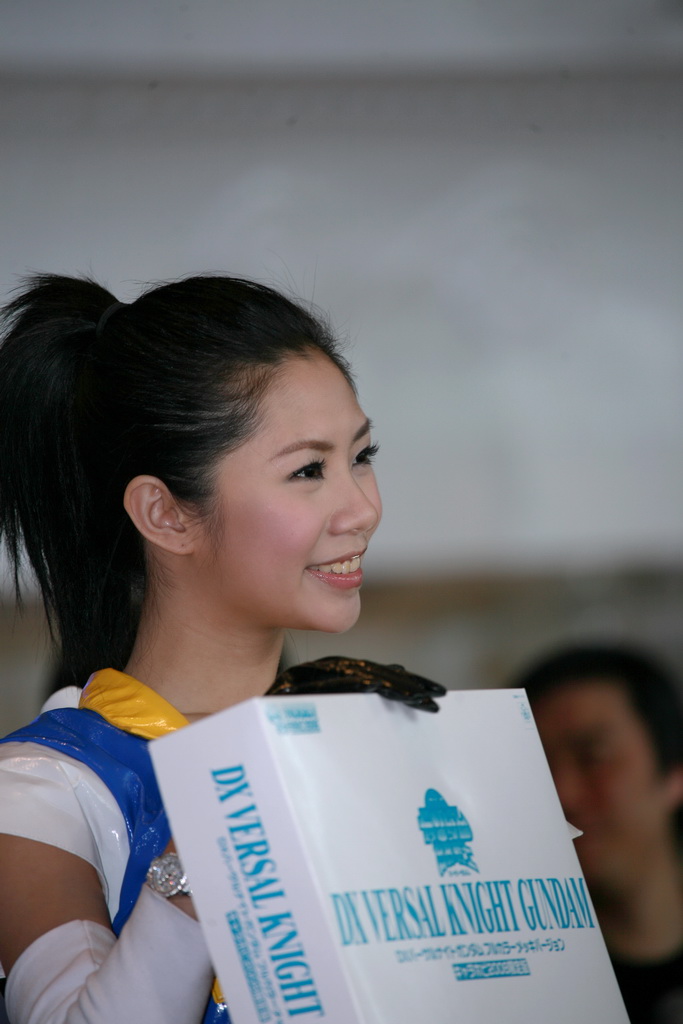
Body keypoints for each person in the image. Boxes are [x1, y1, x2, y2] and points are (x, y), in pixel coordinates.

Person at [0, 272, 443, 1024]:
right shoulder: (43, 790)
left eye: (362, 455)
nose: (362, 508)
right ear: (165, 514)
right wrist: (229, 823)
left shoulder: (368, 743)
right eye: (308, 470)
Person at [514, 643, 683, 1024]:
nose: (563, 795)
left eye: (594, 756)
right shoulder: (523, 987)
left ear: (674, 772)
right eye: (536, 767)